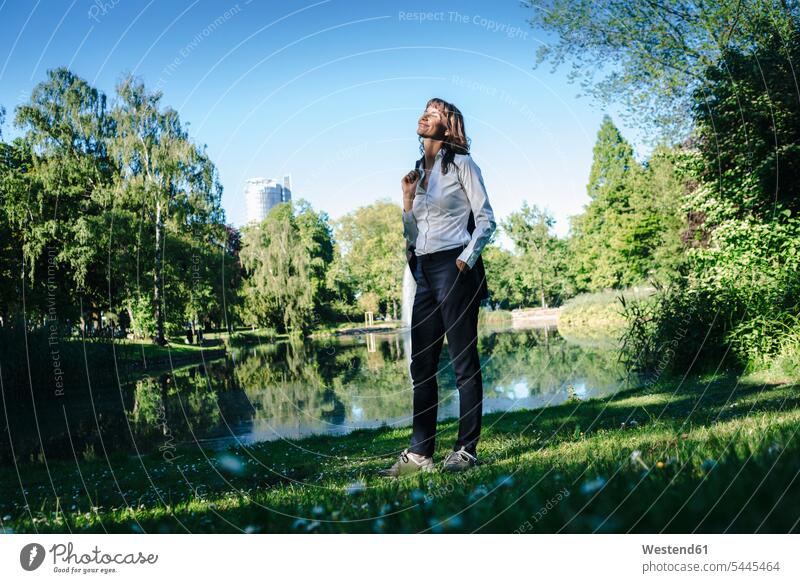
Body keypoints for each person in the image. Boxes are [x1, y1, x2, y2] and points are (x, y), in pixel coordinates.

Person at [380, 98, 496, 477]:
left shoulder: (462, 165)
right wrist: (407, 201)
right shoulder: (416, 174)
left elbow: (486, 219)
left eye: (434, 114)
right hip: (425, 272)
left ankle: (465, 450)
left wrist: (466, 258)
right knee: (422, 365)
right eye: (423, 112)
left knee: (463, 363)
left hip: (455, 266)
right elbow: (412, 234)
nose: (424, 117)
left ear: (448, 126)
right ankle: (420, 455)